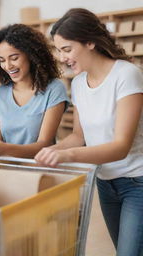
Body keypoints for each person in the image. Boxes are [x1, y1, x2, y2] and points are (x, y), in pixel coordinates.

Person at [34, 8, 143, 256]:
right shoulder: (79, 83)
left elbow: (121, 146)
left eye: (67, 49)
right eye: (59, 50)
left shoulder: (126, 75)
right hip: (105, 182)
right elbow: (78, 137)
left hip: (137, 184)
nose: (62, 58)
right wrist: (52, 149)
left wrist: (68, 156)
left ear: (90, 42)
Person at [0, 24, 69, 160]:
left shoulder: (54, 89)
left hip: (41, 169)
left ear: (30, 55)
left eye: (14, 58)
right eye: (2, 60)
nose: (8, 66)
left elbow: (44, 145)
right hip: (7, 170)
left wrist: (4, 149)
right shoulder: (0, 94)